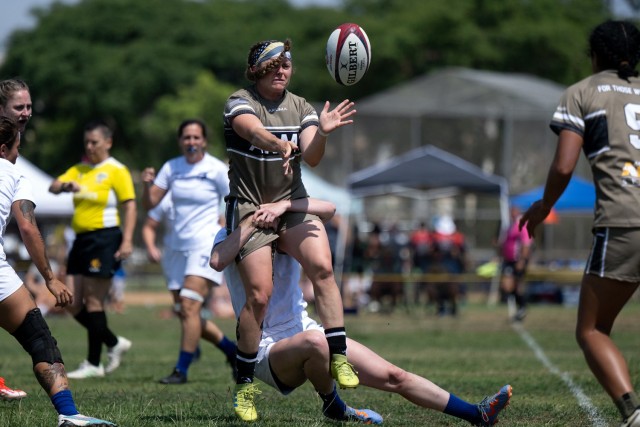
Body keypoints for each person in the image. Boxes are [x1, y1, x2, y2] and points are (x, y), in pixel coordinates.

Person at [210, 196, 512, 425]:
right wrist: (250, 222)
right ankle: (334, 404)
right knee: (316, 343)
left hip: (304, 329)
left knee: (395, 375)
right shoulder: (233, 235)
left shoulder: (285, 229)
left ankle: (477, 414)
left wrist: (284, 204)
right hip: (264, 352)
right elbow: (217, 260)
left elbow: (328, 209)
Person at [223, 38, 358, 420]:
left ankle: (339, 357)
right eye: (273, 66)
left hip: (291, 203)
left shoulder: (301, 106)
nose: (282, 71)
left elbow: (312, 156)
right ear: (256, 71)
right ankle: (245, 385)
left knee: (323, 267)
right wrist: (278, 144)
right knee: (260, 297)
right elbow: (251, 131)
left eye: (286, 65)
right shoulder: (238, 100)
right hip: (252, 208)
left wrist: (324, 132)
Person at [519, 20, 640, 427]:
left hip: (625, 221)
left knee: (592, 329)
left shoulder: (582, 93)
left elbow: (565, 164)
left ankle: (632, 411)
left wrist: (542, 206)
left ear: (595, 56)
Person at [0, 116, 116, 426]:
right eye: (16, 149)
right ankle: (68, 414)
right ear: (3, 148)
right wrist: (50, 278)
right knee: (39, 339)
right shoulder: (13, 173)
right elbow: (26, 225)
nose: (17, 155)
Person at [141, 119, 236, 384]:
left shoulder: (216, 169)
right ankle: (231, 351)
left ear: (204, 141)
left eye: (196, 137)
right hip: (174, 249)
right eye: (186, 138)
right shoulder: (171, 168)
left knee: (190, 305)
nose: (191, 142)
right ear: (180, 141)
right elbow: (151, 203)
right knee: (186, 310)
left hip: (205, 244)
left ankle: (181, 369)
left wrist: (228, 228)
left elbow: (236, 199)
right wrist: (147, 185)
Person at [48, 119, 134, 379]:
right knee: (71, 302)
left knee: (95, 301)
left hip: (105, 238)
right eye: (86, 141)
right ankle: (114, 342)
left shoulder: (116, 170)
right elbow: (52, 187)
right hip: (81, 240)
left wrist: (128, 240)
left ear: (108, 142)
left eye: (94, 141)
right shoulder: (79, 169)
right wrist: (66, 185)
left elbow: (130, 205)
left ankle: (94, 363)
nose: (89, 146)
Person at [0, 78, 34, 399]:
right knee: (35, 332)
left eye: (28, 106)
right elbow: (27, 225)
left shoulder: (14, 150)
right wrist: (50, 276)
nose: (25, 113)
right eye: (17, 107)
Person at [498, 206, 532, 322]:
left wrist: (522, 260)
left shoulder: (522, 225)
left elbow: (526, 244)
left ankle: (522, 307)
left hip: (517, 261)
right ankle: (520, 308)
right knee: (507, 286)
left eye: (512, 212)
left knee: (517, 287)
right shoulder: (509, 227)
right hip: (508, 261)